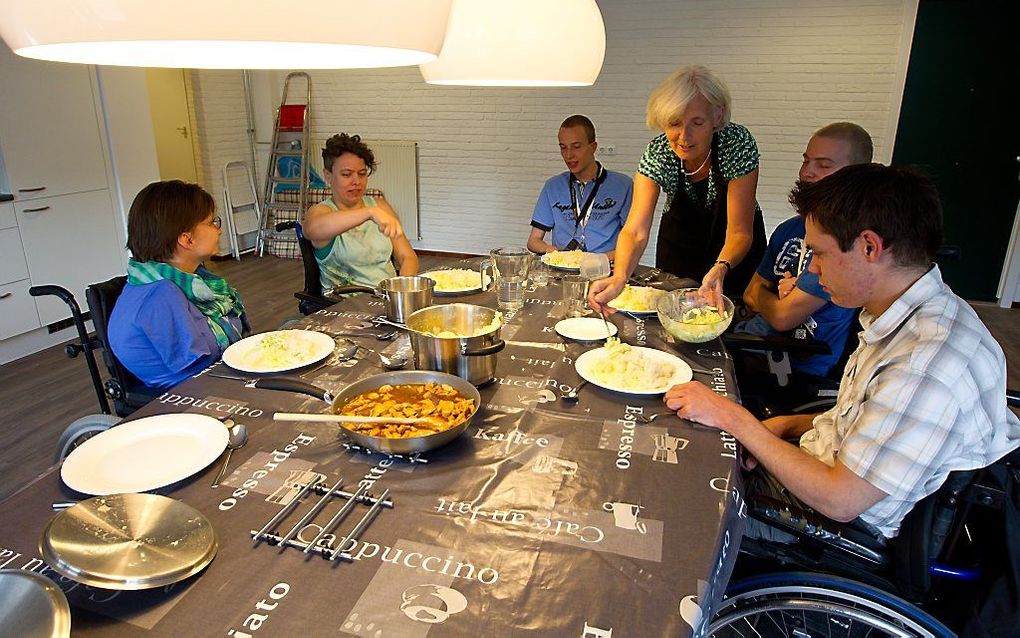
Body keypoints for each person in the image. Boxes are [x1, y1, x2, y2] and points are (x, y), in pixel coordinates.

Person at [663, 164, 1020, 541]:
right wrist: (784, 425)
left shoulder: (926, 363)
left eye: (819, 253)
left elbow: (841, 500)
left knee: (672, 491)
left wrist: (736, 419)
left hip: (829, 528)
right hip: (821, 465)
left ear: (869, 247)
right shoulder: (912, 312)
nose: (812, 270)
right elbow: (863, 420)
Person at [590, 64, 766, 311]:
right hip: (681, 245)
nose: (684, 136)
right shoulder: (659, 151)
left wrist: (720, 268)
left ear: (716, 116)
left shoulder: (736, 143)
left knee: (726, 321)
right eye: (674, 123)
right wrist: (619, 276)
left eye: (697, 122)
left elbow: (739, 231)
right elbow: (635, 230)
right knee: (677, 317)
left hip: (733, 258)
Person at [739, 122, 873, 377]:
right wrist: (775, 298)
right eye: (806, 161)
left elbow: (781, 316)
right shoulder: (788, 229)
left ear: (856, 174)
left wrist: (768, 297)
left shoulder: (842, 244)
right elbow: (749, 293)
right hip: (750, 342)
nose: (807, 172)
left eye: (823, 165)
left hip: (791, 364)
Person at [109, 181, 249, 390]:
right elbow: (198, 362)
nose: (218, 231)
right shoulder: (160, 295)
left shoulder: (187, 280)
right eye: (212, 223)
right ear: (186, 239)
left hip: (214, 376)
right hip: (193, 395)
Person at [302, 133, 418, 290]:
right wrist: (369, 213)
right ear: (328, 176)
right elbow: (312, 230)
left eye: (362, 173)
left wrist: (402, 288)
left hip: (387, 297)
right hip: (346, 305)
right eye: (346, 174)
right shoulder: (320, 212)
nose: (356, 181)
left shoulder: (381, 206)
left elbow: (407, 257)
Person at [527, 115, 633, 256]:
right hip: (563, 270)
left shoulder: (623, 186)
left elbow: (634, 240)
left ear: (593, 147)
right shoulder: (552, 186)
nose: (569, 155)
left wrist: (600, 260)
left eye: (576, 147)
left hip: (605, 269)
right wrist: (553, 252)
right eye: (563, 148)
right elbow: (533, 241)